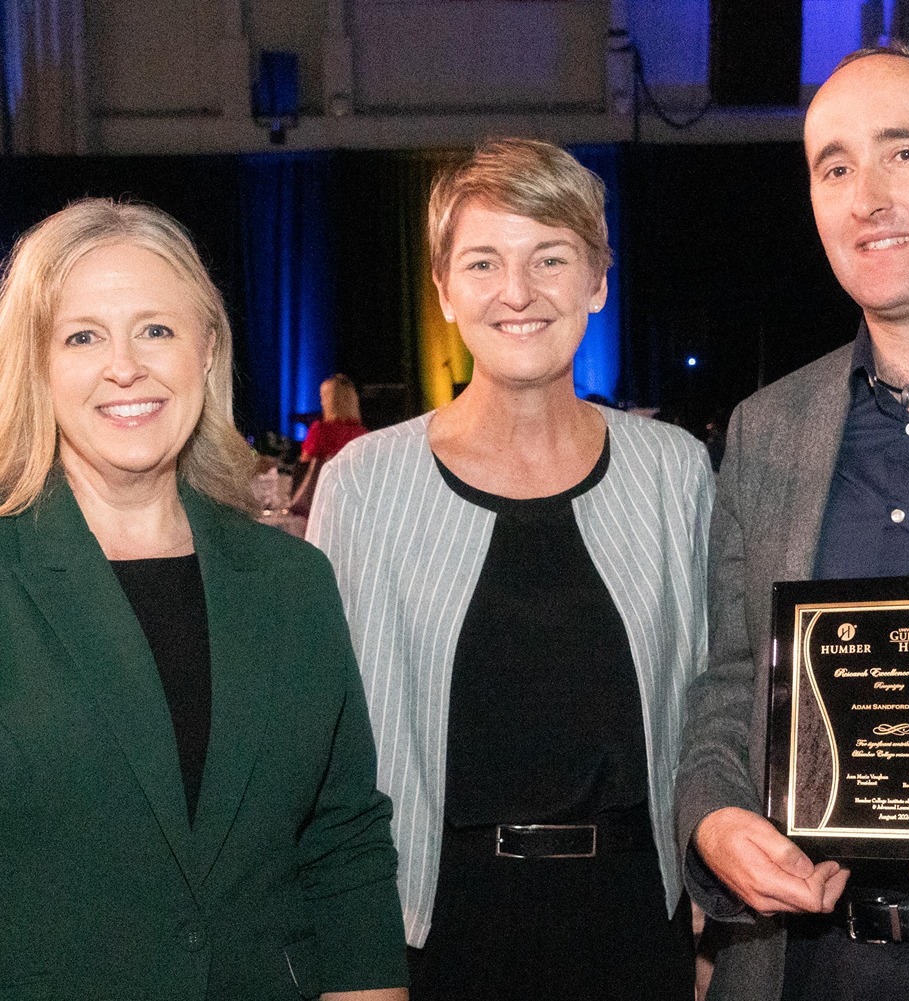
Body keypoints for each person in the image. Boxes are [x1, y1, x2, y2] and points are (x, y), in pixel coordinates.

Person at [307, 138, 713, 999]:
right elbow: (330, 750)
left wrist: (718, 934)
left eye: (551, 258)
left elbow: (718, 703)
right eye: (483, 261)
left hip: (637, 928)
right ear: (445, 291)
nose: (517, 291)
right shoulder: (363, 486)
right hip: (438, 931)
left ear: (597, 282)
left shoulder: (675, 472)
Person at [0, 198, 408, 1000]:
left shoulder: (293, 583)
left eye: (156, 329)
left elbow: (343, 842)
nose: (127, 365)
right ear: (36, 365)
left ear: (208, 348)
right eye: (83, 335)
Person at [675, 43, 909, 1001]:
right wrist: (712, 816)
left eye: (902, 152)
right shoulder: (766, 426)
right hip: (800, 968)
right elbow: (730, 682)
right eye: (834, 166)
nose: (866, 195)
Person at [291, 374, 368, 517]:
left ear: (331, 400)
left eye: (323, 396)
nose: (321, 401)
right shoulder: (363, 434)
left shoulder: (320, 430)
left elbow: (304, 464)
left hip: (322, 506)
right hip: (352, 506)